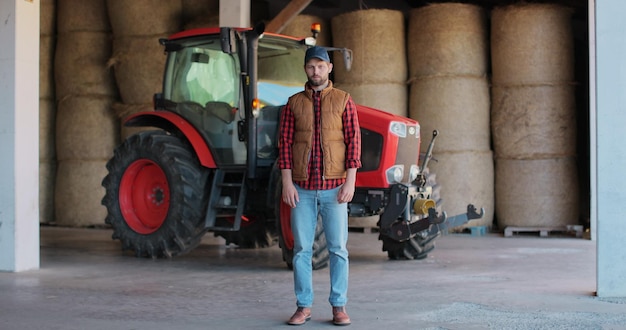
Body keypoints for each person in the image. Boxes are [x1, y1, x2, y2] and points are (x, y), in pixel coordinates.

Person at [278, 46, 361, 326]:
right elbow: (285, 146)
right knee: (301, 249)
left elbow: (353, 142)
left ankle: (339, 306)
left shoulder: (343, 100)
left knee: (338, 248)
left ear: (329, 68)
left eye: (321, 66)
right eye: (311, 66)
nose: (316, 71)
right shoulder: (293, 103)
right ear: (305, 69)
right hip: (301, 188)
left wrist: (350, 180)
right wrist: (287, 182)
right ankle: (304, 306)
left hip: (335, 189)